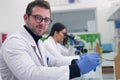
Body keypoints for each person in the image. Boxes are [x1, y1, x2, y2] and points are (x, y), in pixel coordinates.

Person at [0, 1, 100, 80]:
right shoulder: (14, 43)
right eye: (38, 18)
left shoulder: (38, 42)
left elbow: (53, 61)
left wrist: (77, 60)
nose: (43, 23)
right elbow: (30, 75)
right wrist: (77, 69)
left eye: (46, 19)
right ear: (26, 18)